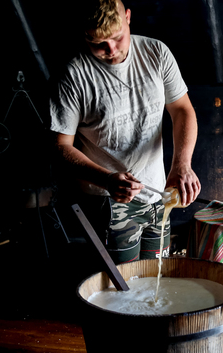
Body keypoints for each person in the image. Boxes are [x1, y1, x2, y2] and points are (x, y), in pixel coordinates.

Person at [50, 0, 200, 264]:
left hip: (158, 193)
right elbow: (61, 146)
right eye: (98, 43)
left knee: (157, 276)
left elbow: (182, 110)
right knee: (122, 289)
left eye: (117, 38)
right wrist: (107, 179)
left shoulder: (156, 52)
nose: (110, 50)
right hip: (107, 200)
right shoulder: (72, 75)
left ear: (128, 17)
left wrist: (182, 165)